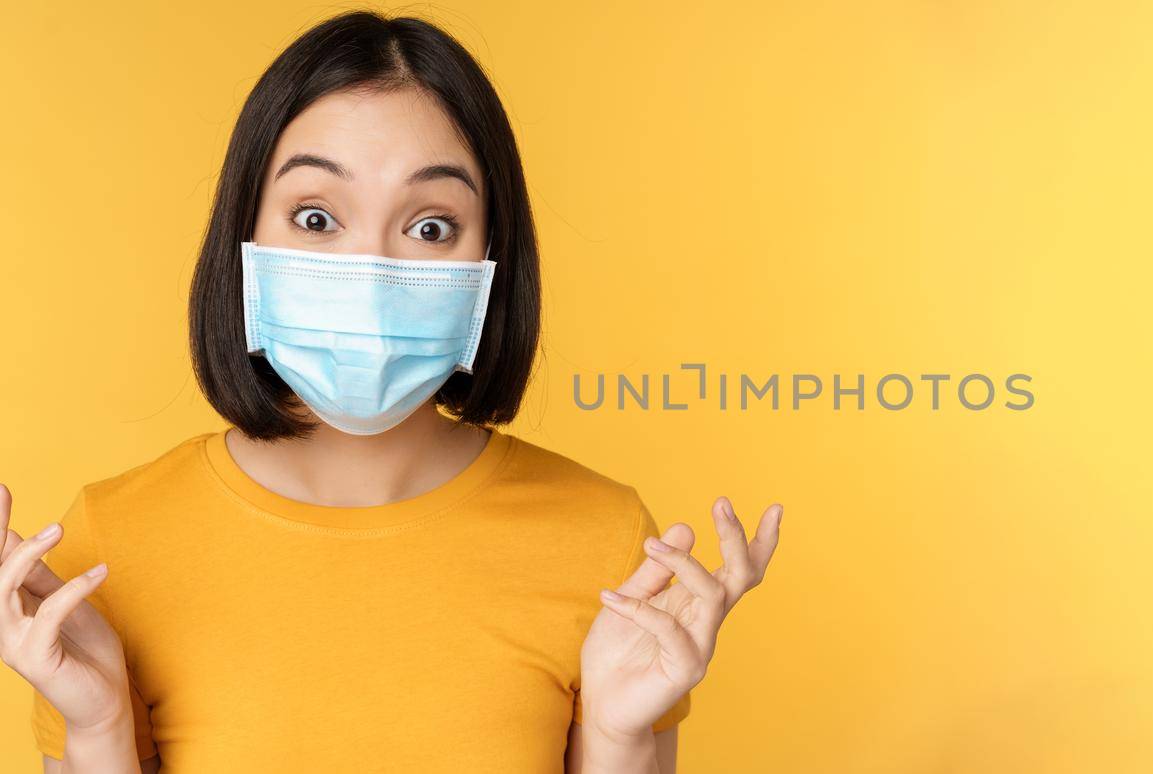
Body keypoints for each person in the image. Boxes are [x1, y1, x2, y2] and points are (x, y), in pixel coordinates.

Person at [0, 10, 781, 773]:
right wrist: (98, 730)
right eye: (315, 216)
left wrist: (619, 741)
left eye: (431, 226)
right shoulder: (111, 544)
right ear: (247, 237)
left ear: (492, 261)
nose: (370, 273)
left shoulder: (609, 547)